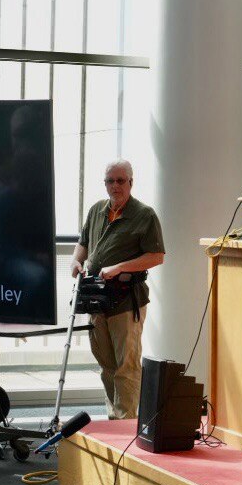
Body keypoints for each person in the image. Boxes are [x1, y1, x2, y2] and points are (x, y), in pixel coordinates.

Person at [72, 160, 165, 420]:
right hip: (96, 299)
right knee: (106, 364)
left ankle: (126, 422)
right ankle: (114, 418)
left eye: (120, 181)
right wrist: (75, 261)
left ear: (131, 182)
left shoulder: (144, 215)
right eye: (110, 181)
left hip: (126, 300)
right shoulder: (96, 211)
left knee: (126, 366)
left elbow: (157, 256)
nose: (115, 186)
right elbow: (83, 244)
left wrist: (119, 267)